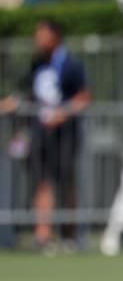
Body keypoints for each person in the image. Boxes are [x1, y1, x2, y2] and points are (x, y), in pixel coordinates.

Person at [21, 19, 90, 251]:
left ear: (55, 36)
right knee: (41, 180)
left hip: (65, 133)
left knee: (65, 182)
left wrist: (63, 113)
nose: (37, 39)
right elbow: (30, 95)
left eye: (42, 34)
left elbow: (83, 97)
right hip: (41, 131)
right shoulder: (37, 65)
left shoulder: (70, 64)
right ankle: (42, 234)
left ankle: (69, 235)